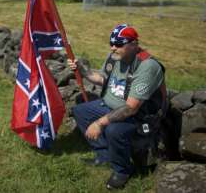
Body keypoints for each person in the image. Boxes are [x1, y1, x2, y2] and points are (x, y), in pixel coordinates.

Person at [67, 24, 165, 190]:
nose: (113, 47)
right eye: (111, 43)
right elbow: (103, 79)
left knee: (113, 130)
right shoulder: (115, 57)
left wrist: (99, 123)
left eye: (118, 44)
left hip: (138, 115)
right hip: (109, 105)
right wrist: (83, 71)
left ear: (134, 44)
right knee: (80, 111)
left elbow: (131, 108)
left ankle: (122, 171)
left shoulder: (147, 66)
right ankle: (104, 155)